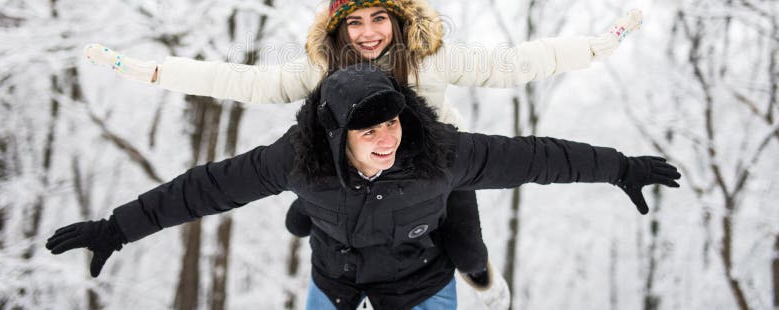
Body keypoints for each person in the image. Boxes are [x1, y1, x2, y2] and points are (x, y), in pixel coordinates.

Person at [83, 0, 643, 308]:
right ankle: (313, 219)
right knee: (308, 211)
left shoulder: (431, 59)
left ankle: (479, 277)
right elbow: (240, 80)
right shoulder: (321, 71)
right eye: (354, 22)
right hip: (343, 180)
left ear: (397, 20)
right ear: (338, 29)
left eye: (379, 18)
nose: (368, 32)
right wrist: (153, 71)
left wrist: (597, 46)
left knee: (465, 244)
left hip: (435, 174)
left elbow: (517, 62)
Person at [47, 65, 680, 310]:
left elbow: (538, 158)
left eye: (392, 121)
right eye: (369, 130)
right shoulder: (296, 163)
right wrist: (116, 228)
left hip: (421, 282)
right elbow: (203, 189)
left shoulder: (441, 157)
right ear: (334, 136)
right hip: (336, 281)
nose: (387, 137)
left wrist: (620, 167)